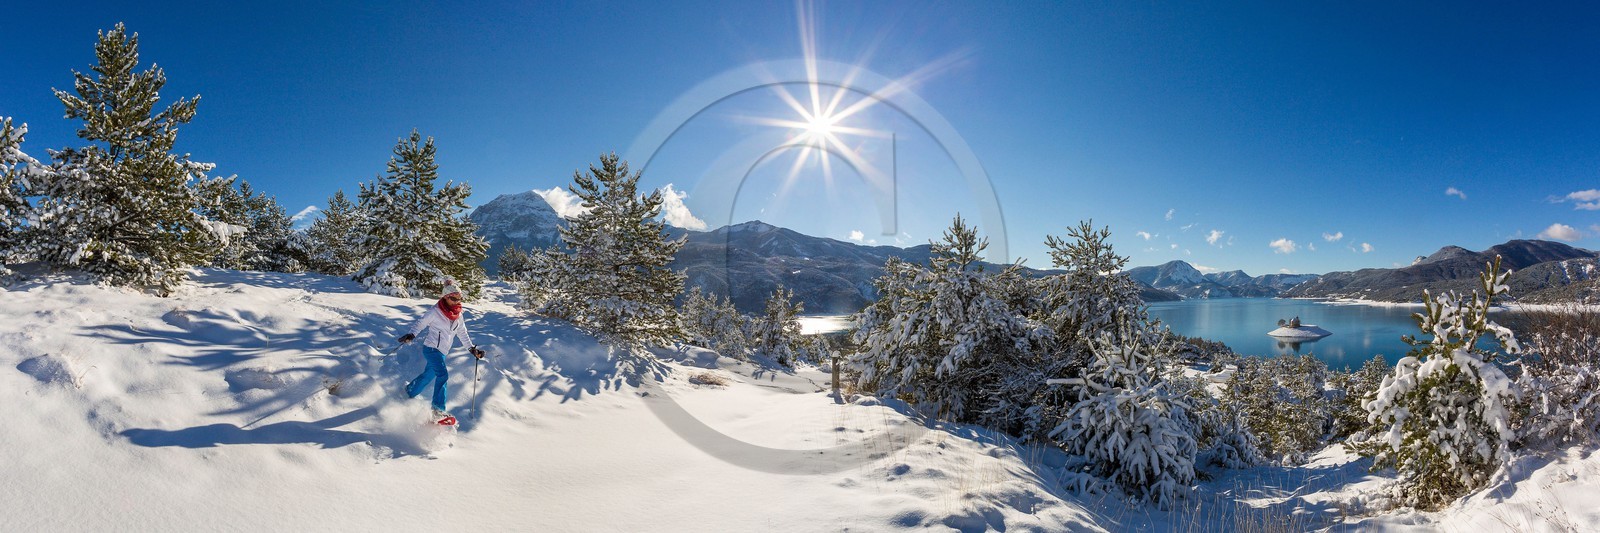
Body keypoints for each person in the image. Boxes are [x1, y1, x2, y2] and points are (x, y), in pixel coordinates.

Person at [397, 280, 485, 420]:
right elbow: (421, 323)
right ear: (446, 297)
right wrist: (411, 334)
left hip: (442, 352)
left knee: (428, 375)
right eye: (454, 298)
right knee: (443, 375)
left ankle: (409, 391)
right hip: (431, 348)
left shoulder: (458, 314)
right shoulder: (435, 311)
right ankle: (438, 410)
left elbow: (462, 332)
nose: (457, 301)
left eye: (459, 298)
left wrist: (471, 348)